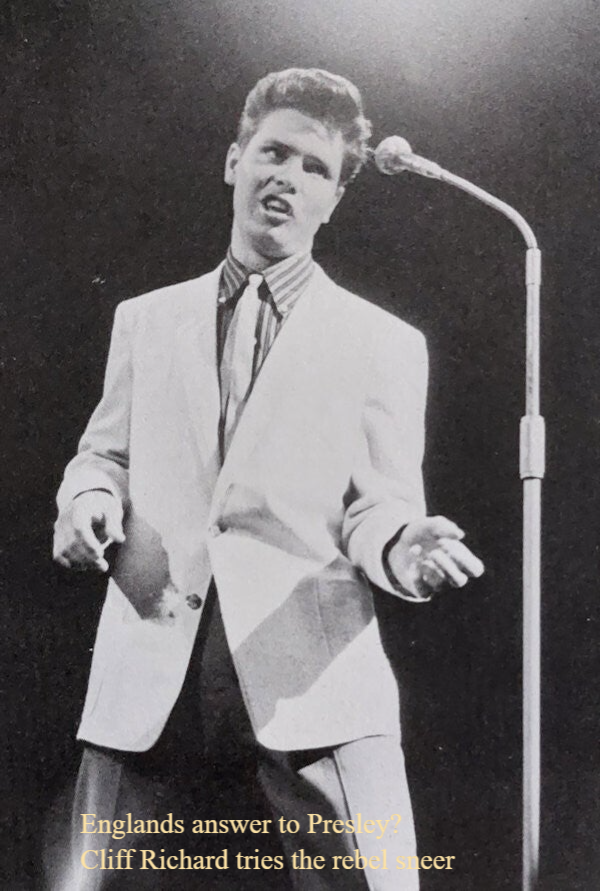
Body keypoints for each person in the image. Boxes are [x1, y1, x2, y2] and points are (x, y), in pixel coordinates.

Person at [52, 68, 484, 890]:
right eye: (273, 153)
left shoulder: (384, 342)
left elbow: (381, 507)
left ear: (334, 200)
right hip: (151, 676)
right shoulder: (145, 320)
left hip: (315, 686)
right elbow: (103, 455)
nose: (288, 176)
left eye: (315, 167)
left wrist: (407, 546)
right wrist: (89, 498)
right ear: (234, 162)